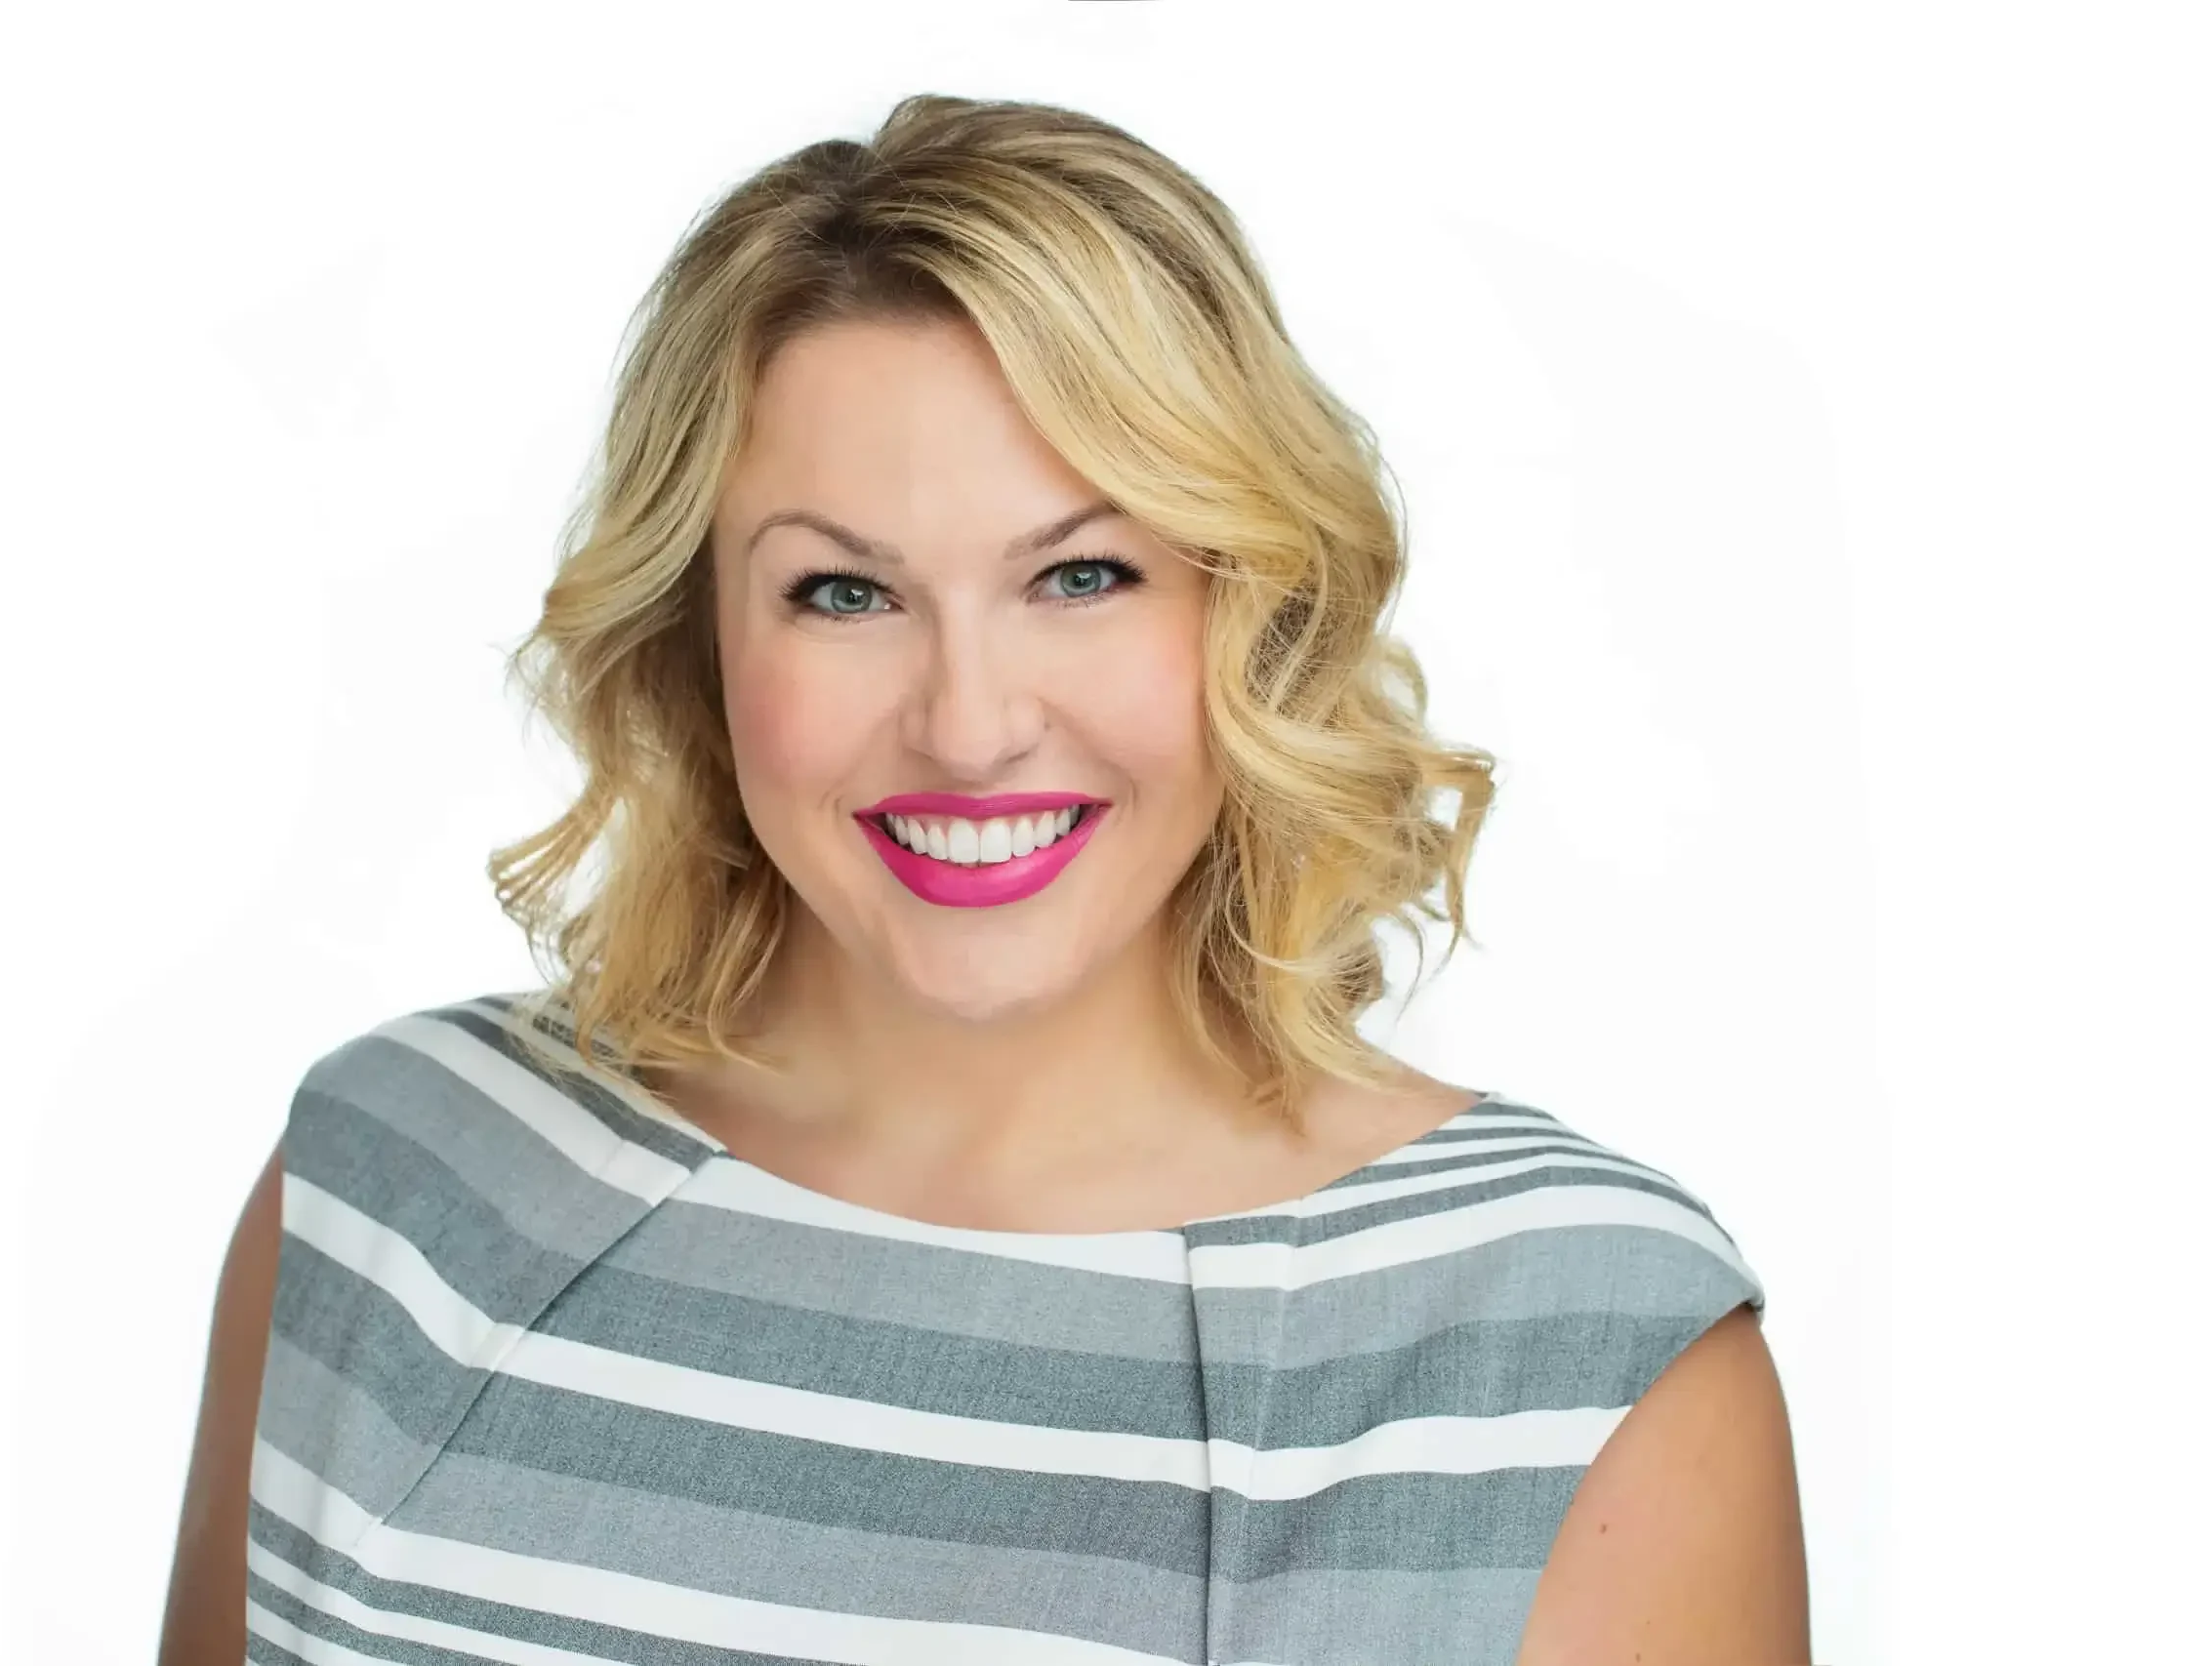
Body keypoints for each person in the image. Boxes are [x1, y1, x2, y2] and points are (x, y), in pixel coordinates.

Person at [161, 93, 1808, 1666]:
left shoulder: (1567, 1340)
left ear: (1251, 608)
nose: (968, 726)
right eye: (841, 593)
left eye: (1081, 574)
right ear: (698, 643)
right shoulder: (395, 1189)